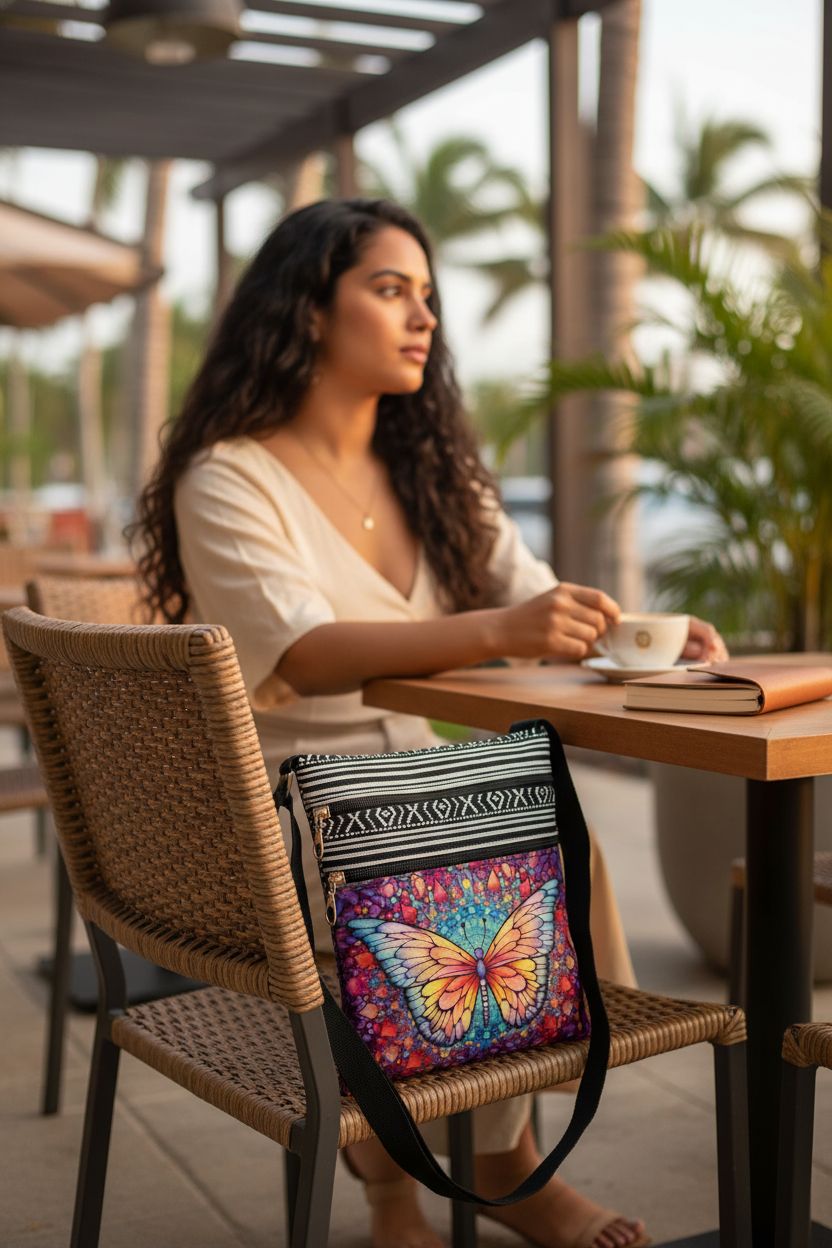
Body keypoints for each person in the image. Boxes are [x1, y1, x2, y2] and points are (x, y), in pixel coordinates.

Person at [131, 198, 726, 1248]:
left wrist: (644, 639)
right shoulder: (227, 476)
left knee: (545, 836)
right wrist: (496, 628)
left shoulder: (434, 474)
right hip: (293, 808)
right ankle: (420, 1178)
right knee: (484, 860)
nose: (423, 318)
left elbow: (534, 596)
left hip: (423, 782)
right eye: (389, 289)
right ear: (310, 309)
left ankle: (490, 1156)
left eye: (428, 296)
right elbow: (303, 651)